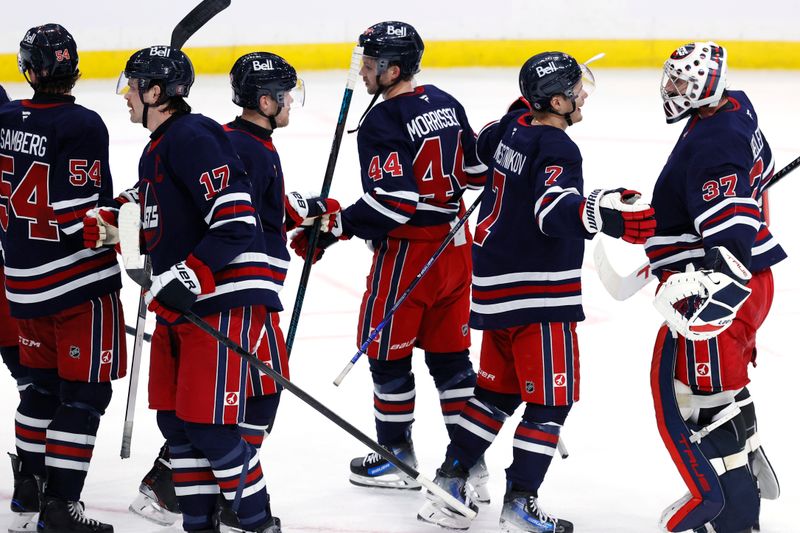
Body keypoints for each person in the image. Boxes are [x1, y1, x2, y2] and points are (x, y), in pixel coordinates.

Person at [416, 51, 657, 533]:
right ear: (553, 100)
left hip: (494, 288)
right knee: (551, 401)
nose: (583, 94)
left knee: (495, 394)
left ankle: (450, 479)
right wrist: (614, 220)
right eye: (575, 89)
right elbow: (552, 212)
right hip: (538, 295)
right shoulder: (560, 148)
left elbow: (483, 145)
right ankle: (520, 503)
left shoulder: (513, 125)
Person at [126, 50, 338, 532]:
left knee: (240, 410)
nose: (290, 104)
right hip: (225, 297)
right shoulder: (226, 141)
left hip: (230, 297)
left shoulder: (239, 142)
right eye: (285, 96)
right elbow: (233, 213)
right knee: (216, 419)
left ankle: (227, 502)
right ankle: (207, 498)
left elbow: (262, 206)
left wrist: (316, 213)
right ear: (265, 99)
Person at [292, 20, 491, 498]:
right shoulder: (444, 100)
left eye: (370, 64)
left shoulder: (383, 121)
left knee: (386, 357)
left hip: (408, 257)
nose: (362, 71)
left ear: (393, 68)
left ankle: (396, 456)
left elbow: (394, 203)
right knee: (452, 362)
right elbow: (474, 170)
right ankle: (471, 464)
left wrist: (335, 225)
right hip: (455, 249)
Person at [647, 41, 785, 533]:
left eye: (683, 82)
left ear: (706, 83)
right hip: (751, 282)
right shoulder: (734, 106)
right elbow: (759, 170)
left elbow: (729, 239)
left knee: (700, 399)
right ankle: (746, 456)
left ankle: (733, 515)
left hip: (723, 291)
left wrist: (708, 294)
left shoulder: (713, 143)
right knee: (720, 389)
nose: (673, 90)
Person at [0, 24, 126, 532]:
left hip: (20, 282)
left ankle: (28, 490)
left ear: (29, 70)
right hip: (75, 287)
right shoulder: (84, 124)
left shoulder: (5, 117)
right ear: (74, 65)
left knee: (41, 390)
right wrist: (127, 210)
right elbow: (83, 220)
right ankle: (61, 507)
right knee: (86, 395)